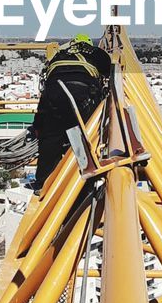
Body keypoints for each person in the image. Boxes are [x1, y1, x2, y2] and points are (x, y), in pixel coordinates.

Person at [29, 33, 111, 191]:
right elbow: (107, 69)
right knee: (84, 136)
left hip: (54, 94)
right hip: (82, 93)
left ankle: (42, 184)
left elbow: (43, 107)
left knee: (50, 139)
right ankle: (84, 182)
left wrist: (38, 126)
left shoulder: (59, 55)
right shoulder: (94, 53)